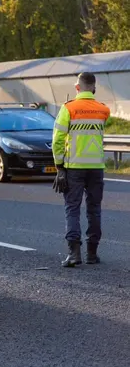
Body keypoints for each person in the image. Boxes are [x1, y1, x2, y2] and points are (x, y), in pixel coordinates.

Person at [52, 72, 111, 267]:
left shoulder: (68, 108)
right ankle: (92, 254)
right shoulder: (104, 110)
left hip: (74, 167)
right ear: (94, 88)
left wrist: (59, 166)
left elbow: (58, 140)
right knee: (94, 210)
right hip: (96, 167)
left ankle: (74, 254)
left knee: (73, 209)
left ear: (77, 88)